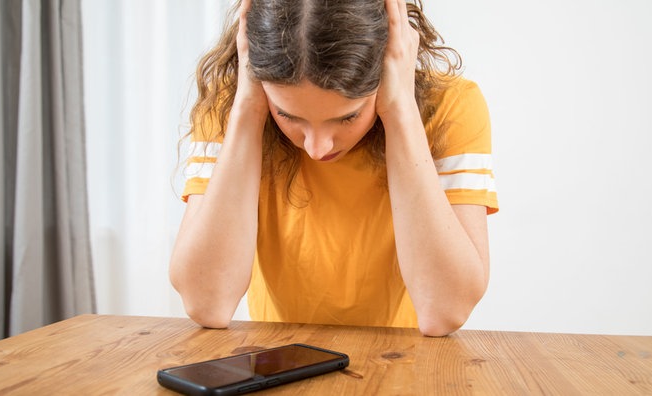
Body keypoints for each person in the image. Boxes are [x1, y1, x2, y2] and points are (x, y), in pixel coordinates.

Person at [170, 0, 498, 337]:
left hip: (410, 369)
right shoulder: (230, 109)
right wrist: (248, 110)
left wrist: (400, 109)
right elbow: (207, 302)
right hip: (282, 362)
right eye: (289, 115)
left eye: (348, 116)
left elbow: (445, 311)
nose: (317, 147)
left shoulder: (453, 108)